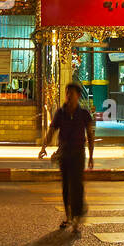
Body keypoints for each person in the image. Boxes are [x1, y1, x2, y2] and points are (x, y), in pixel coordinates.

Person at [38, 83, 95, 236]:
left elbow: (90, 135)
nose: (69, 96)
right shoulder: (60, 113)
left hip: (78, 154)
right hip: (64, 153)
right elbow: (52, 131)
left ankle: (76, 217)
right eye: (67, 93)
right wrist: (44, 147)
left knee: (77, 186)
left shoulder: (84, 114)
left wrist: (90, 155)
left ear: (78, 95)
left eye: (72, 93)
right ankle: (68, 216)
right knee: (65, 186)